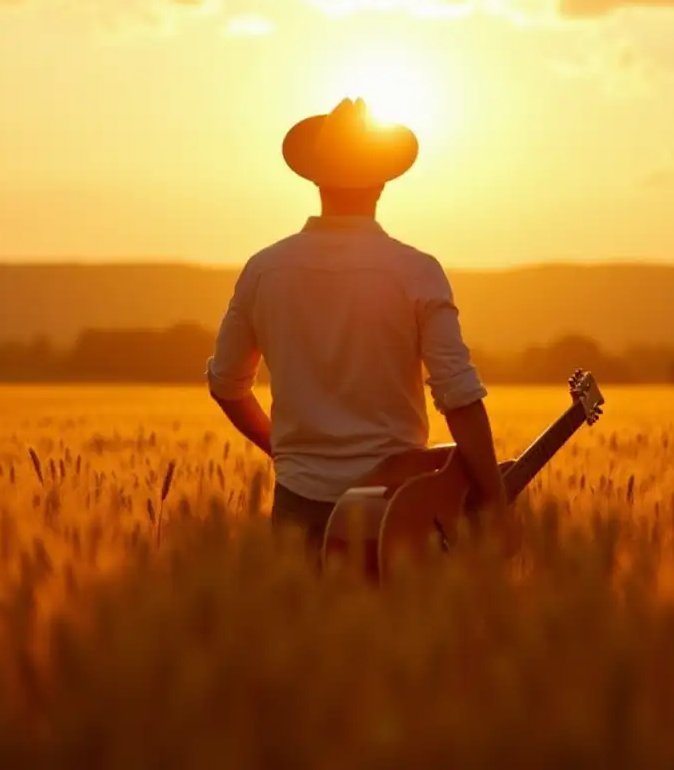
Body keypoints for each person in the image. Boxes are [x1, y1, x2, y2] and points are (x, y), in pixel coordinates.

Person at [206, 97, 507, 557]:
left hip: (296, 505)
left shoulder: (264, 271)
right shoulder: (417, 272)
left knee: (302, 629)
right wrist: (495, 502)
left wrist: (286, 453)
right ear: (383, 181)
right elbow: (459, 397)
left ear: (315, 178)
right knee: (389, 630)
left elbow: (227, 384)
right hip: (393, 512)